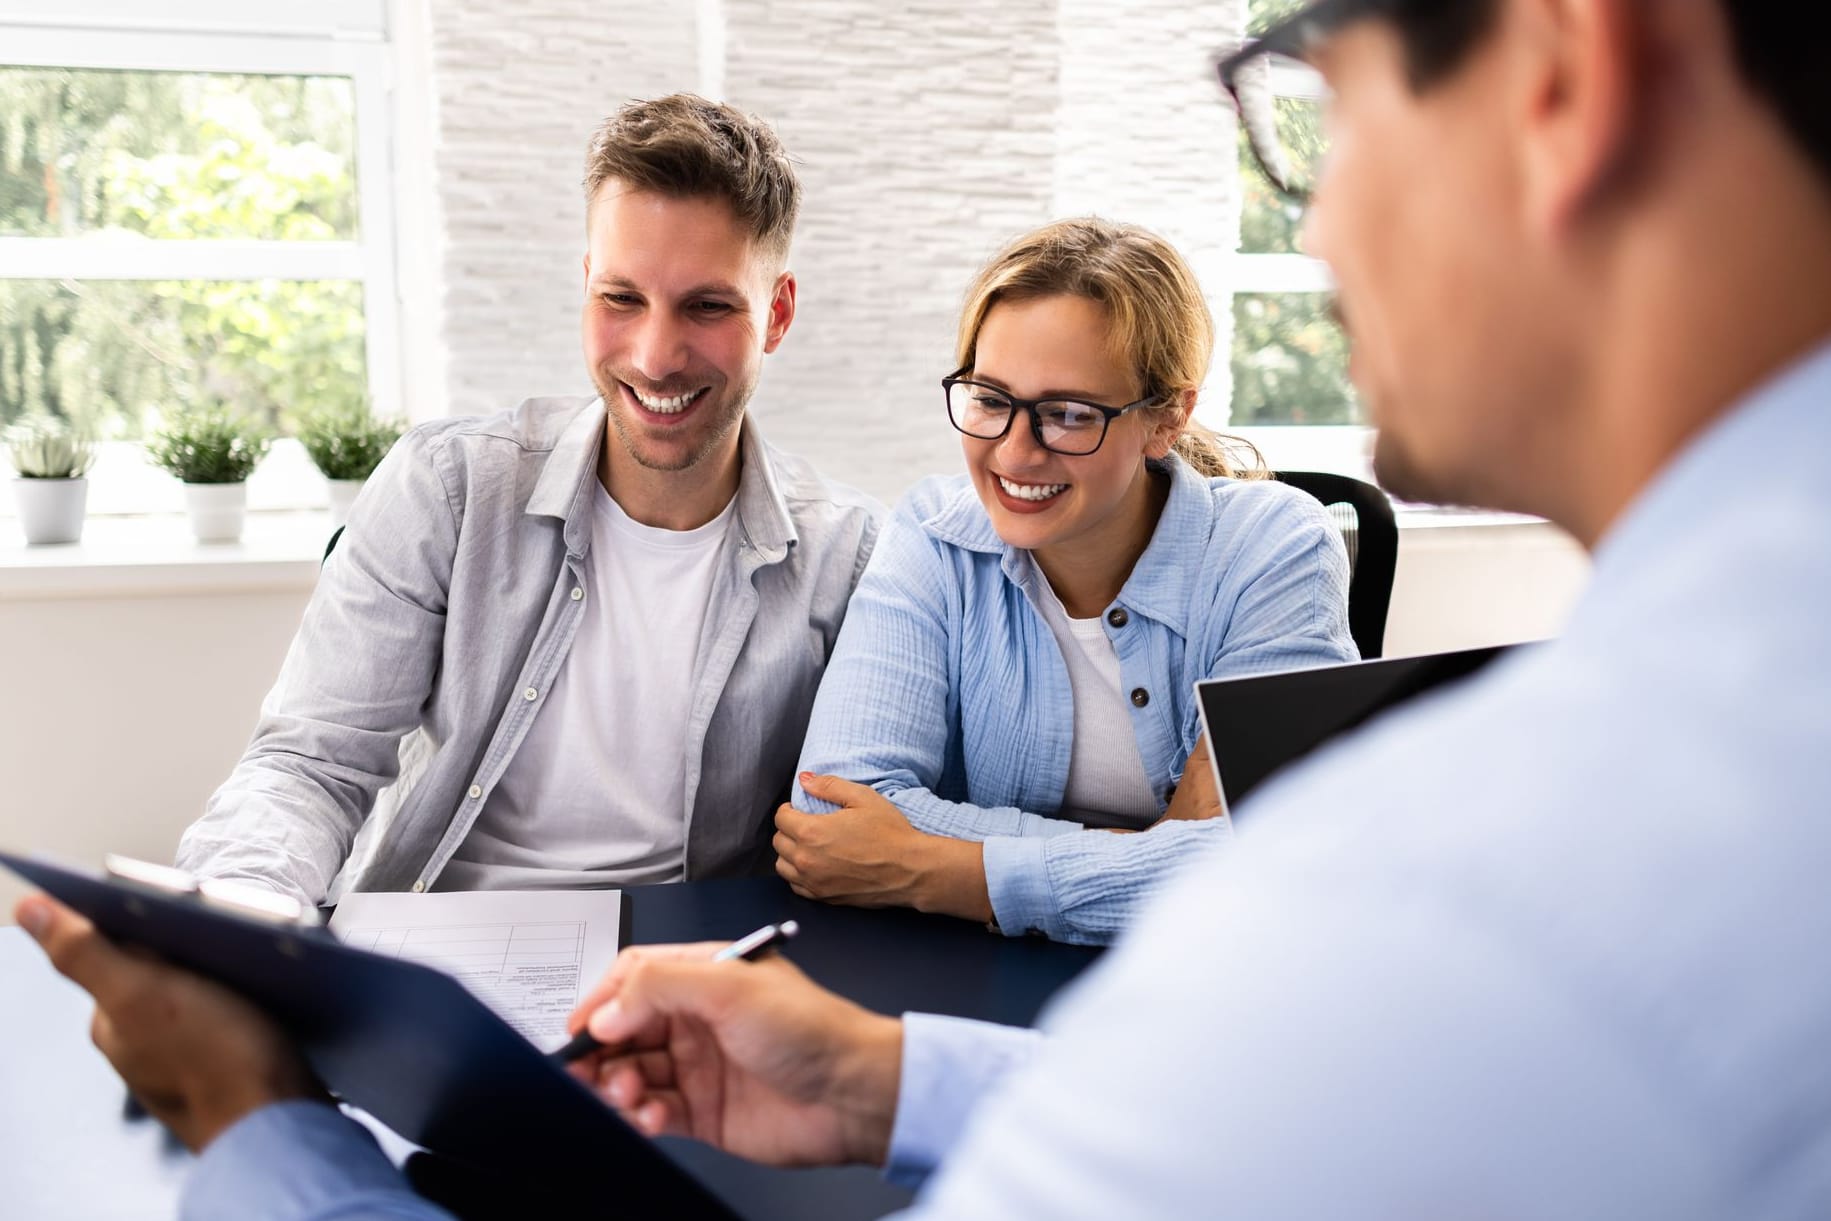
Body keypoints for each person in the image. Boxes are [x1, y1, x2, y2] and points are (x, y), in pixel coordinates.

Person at [17, 0, 1831, 1216]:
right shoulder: (500, 491)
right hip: (494, 987)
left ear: (1564, 81)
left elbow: (952, 849)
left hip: (692, 1007)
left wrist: (247, 1129)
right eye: (989, 401)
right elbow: (823, 821)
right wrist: (253, 930)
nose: (1326, 221)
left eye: (1317, 107)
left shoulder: (1442, 879)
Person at [172, 94, 881, 904]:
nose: (655, 356)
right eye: (622, 298)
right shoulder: (447, 489)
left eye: (707, 306)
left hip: (684, 982)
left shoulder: (848, 556)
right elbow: (312, 763)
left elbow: (863, 826)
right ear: (586, 287)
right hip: (434, 942)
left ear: (776, 313)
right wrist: (244, 904)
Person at [774, 218, 1355, 945]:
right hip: (978, 978)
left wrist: (946, 869)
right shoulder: (933, 534)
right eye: (989, 398)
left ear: (1165, 418)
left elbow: (1279, 857)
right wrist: (1152, 853)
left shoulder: (1274, 546)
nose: (1015, 453)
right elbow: (832, 813)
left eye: (1068, 414)